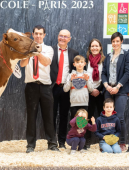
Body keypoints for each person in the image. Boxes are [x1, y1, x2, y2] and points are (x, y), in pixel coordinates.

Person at [20, 25, 60, 153]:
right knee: (31, 116)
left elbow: (46, 62)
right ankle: (30, 145)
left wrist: (37, 52)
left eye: (40, 33)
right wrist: (29, 52)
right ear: (32, 34)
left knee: (48, 116)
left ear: (44, 35)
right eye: (36, 33)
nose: (38, 36)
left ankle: (52, 144)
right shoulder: (26, 48)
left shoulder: (48, 49)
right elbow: (22, 64)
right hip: (31, 86)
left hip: (45, 87)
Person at [101, 32, 129, 151]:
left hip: (121, 90)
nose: (115, 43)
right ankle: (107, 143)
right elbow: (103, 73)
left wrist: (118, 86)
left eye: (117, 41)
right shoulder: (108, 56)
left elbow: (127, 72)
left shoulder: (127, 55)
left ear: (121, 42)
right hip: (108, 89)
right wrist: (106, 85)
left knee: (119, 117)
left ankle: (122, 142)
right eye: (113, 41)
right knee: (107, 117)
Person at [50, 29, 79, 149]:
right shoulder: (50, 51)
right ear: (57, 37)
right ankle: (51, 142)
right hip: (51, 87)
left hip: (66, 89)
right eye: (61, 36)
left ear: (69, 39)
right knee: (51, 116)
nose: (62, 38)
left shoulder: (74, 53)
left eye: (65, 36)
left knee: (63, 116)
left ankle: (61, 142)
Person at [84, 39, 106, 149]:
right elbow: (83, 76)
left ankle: (103, 140)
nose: (94, 48)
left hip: (101, 93)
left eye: (96, 46)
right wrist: (91, 90)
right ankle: (87, 140)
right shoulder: (85, 61)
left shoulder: (104, 60)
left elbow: (106, 76)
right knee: (88, 117)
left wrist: (99, 89)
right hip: (88, 93)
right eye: (92, 46)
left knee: (103, 117)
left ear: (100, 47)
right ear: (89, 48)